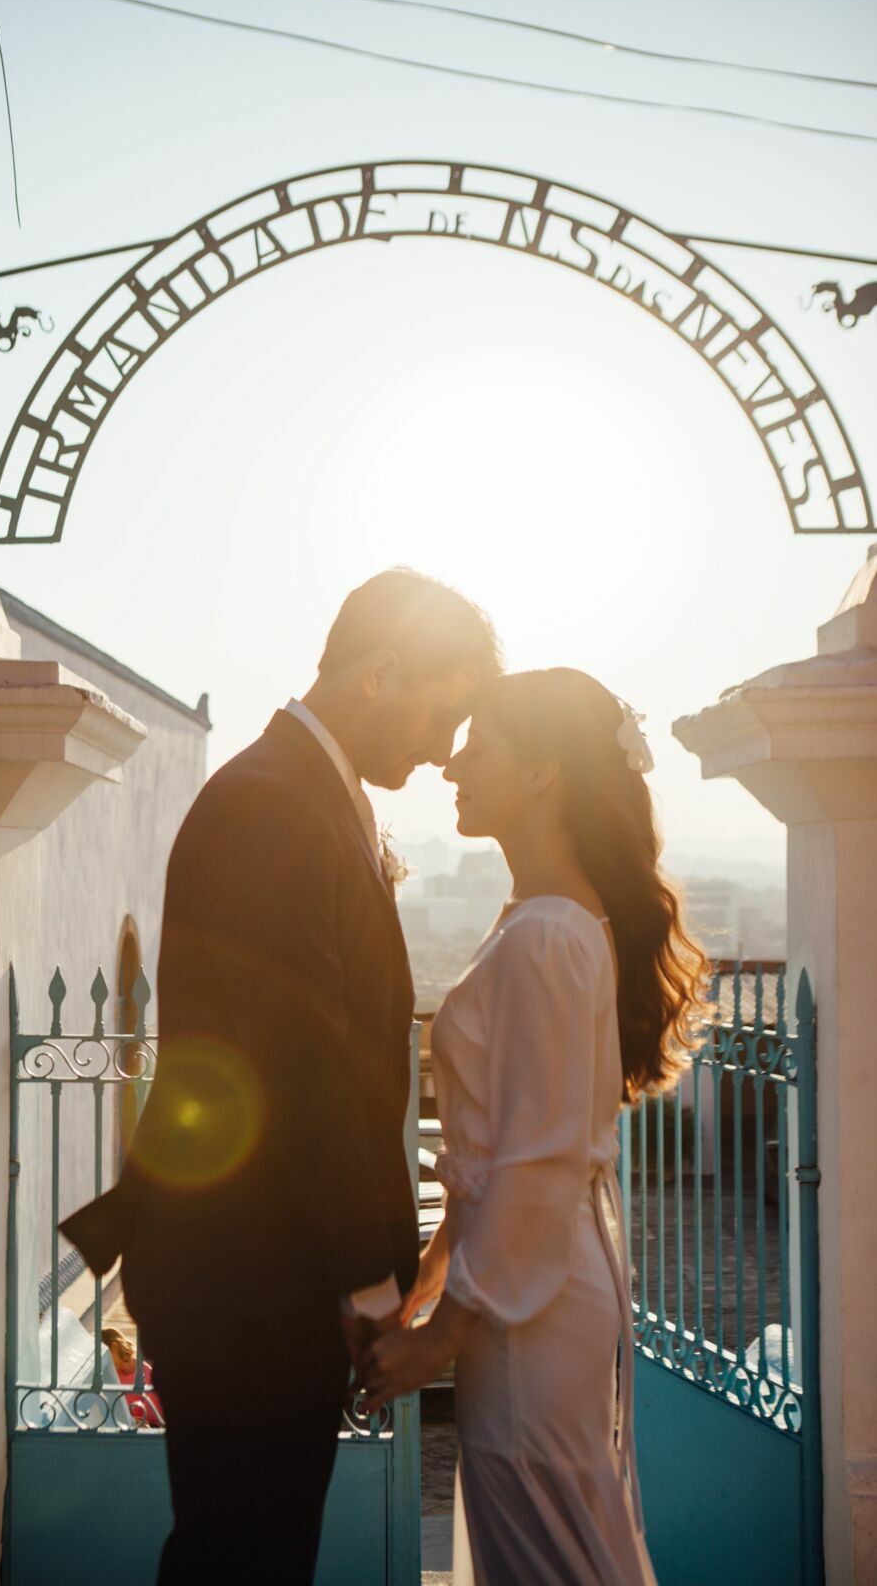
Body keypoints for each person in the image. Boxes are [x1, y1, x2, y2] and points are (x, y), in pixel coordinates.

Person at [61, 569, 501, 1584]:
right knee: (239, 1560)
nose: (445, 748)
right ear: (380, 674)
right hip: (248, 1286)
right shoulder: (273, 804)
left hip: (256, 1277)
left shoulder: (305, 794)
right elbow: (301, 1070)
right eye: (444, 712)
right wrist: (372, 1289)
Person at [364, 669, 708, 1586]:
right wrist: (431, 1274)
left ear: (542, 772)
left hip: (533, 1309)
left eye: (478, 746)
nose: (452, 766)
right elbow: (497, 1156)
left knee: (551, 1559)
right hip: (535, 1291)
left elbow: (537, 1164)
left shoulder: (547, 935)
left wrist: (439, 1337)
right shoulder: (545, 920)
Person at [102, 1326, 165, 1428]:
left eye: (104, 1355)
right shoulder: (110, 1375)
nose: (103, 1361)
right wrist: (132, 1420)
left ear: (114, 1347)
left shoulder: (146, 1373)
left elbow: (156, 1417)